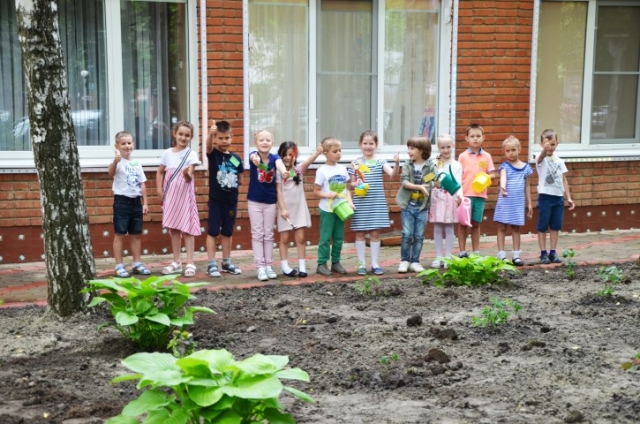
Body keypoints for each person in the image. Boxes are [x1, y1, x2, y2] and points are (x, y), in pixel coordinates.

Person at [348, 130, 400, 275]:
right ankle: (361, 264)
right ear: (360, 145)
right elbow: (350, 185)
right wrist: (355, 183)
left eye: (371, 143)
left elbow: (392, 174)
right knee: (359, 233)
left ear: (376, 145)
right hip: (360, 203)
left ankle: (375, 263)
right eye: (365, 143)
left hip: (376, 203)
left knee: (375, 234)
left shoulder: (380, 162)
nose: (368, 146)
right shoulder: (355, 163)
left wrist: (396, 163)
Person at [155, 120, 201, 277]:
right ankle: (176, 261)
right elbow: (160, 172)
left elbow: (190, 177)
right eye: (181, 134)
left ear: (191, 137)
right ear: (174, 134)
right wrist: (159, 190)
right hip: (170, 197)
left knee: (187, 229)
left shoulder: (191, 154)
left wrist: (187, 174)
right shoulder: (167, 154)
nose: (183, 137)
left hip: (185, 198)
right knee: (174, 229)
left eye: (187, 135)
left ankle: (190, 262)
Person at [276, 141, 323, 278]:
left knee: (301, 238)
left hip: (299, 209)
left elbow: (308, 162)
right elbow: (278, 192)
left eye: (290, 154)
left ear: (295, 155)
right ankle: (285, 266)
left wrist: (317, 152)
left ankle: (302, 266)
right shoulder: (279, 172)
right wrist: (282, 209)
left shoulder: (298, 170)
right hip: (285, 210)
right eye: (284, 154)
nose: (287, 157)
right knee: (284, 238)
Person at [108, 130, 150, 277]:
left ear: (133, 144)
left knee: (136, 234)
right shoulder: (118, 163)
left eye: (129, 143)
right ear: (117, 146)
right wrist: (115, 161)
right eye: (123, 143)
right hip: (122, 202)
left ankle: (137, 263)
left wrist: (145, 203)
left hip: (136, 202)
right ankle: (119, 265)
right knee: (120, 234)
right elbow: (110, 174)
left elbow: (142, 184)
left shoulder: (137, 163)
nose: (127, 146)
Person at [205, 120, 244, 277]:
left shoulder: (235, 158)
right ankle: (211, 263)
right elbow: (207, 147)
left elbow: (240, 176)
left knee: (227, 231)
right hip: (216, 200)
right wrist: (210, 134)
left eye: (226, 138)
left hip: (230, 201)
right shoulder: (214, 154)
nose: (223, 141)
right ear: (216, 139)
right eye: (220, 138)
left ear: (231, 137)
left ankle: (226, 262)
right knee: (213, 231)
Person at [248, 129, 288, 281]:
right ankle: (260, 267)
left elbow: (280, 165)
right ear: (256, 143)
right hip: (255, 202)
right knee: (258, 234)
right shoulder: (254, 155)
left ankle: (269, 265)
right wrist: (257, 162)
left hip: (270, 202)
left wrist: (284, 172)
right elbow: (253, 158)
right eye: (261, 140)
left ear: (272, 143)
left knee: (269, 234)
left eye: (268, 140)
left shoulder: (275, 158)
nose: (264, 142)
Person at [395, 136, 438, 273]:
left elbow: (436, 180)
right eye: (408, 148)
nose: (409, 151)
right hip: (408, 206)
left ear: (422, 150)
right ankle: (404, 260)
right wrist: (419, 187)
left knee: (419, 236)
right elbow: (404, 182)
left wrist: (439, 180)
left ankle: (415, 261)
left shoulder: (430, 165)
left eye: (412, 148)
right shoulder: (408, 165)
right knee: (407, 234)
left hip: (422, 207)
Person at [313, 137, 354, 276]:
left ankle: (336, 262)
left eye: (340, 150)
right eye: (335, 151)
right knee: (325, 237)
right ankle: (322, 263)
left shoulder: (342, 169)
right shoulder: (322, 171)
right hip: (327, 209)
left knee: (338, 237)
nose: (338, 153)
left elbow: (348, 188)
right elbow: (316, 191)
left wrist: (349, 201)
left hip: (341, 209)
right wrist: (327, 195)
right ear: (325, 153)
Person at [493, 136, 533, 266]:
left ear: (519, 149)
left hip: (518, 203)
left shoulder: (526, 168)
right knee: (502, 227)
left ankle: (516, 255)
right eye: (508, 151)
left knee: (516, 228)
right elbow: (503, 177)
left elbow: (527, 186)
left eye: (513, 150)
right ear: (505, 152)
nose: (511, 153)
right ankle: (501, 254)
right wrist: (503, 187)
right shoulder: (505, 166)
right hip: (505, 201)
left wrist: (530, 203)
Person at [536, 129, 575, 263]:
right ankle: (543, 253)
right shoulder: (540, 158)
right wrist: (543, 151)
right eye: (547, 144)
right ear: (541, 144)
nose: (550, 147)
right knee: (542, 226)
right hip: (545, 197)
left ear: (557, 144)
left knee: (555, 226)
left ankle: (553, 252)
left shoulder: (560, 161)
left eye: (552, 144)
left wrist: (568, 197)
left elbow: (564, 180)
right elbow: (540, 157)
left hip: (558, 198)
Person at [457, 123, 496, 257]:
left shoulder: (487, 156)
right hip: (465, 196)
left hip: (480, 195)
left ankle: (476, 252)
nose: (475, 139)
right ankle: (462, 251)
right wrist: (458, 195)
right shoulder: (462, 156)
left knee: (476, 223)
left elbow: (493, 175)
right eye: (472, 136)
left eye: (478, 136)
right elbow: (458, 176)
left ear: (483, 138)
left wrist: (486, 177)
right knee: (463, 224)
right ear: (466, 138)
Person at [429, 134, 463, 268]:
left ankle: (448, 255)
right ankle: (438, 255)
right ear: (438, 148)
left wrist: (460, 196)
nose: (445, 150)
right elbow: (428, 178)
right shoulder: (434, 163)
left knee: (449, 227)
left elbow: (459, 182)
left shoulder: (456, 165)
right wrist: (433, 182)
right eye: (442, 147)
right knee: (437, 227)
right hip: (437, 198)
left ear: (453, 146)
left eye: (448, 147)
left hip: (450, 198)